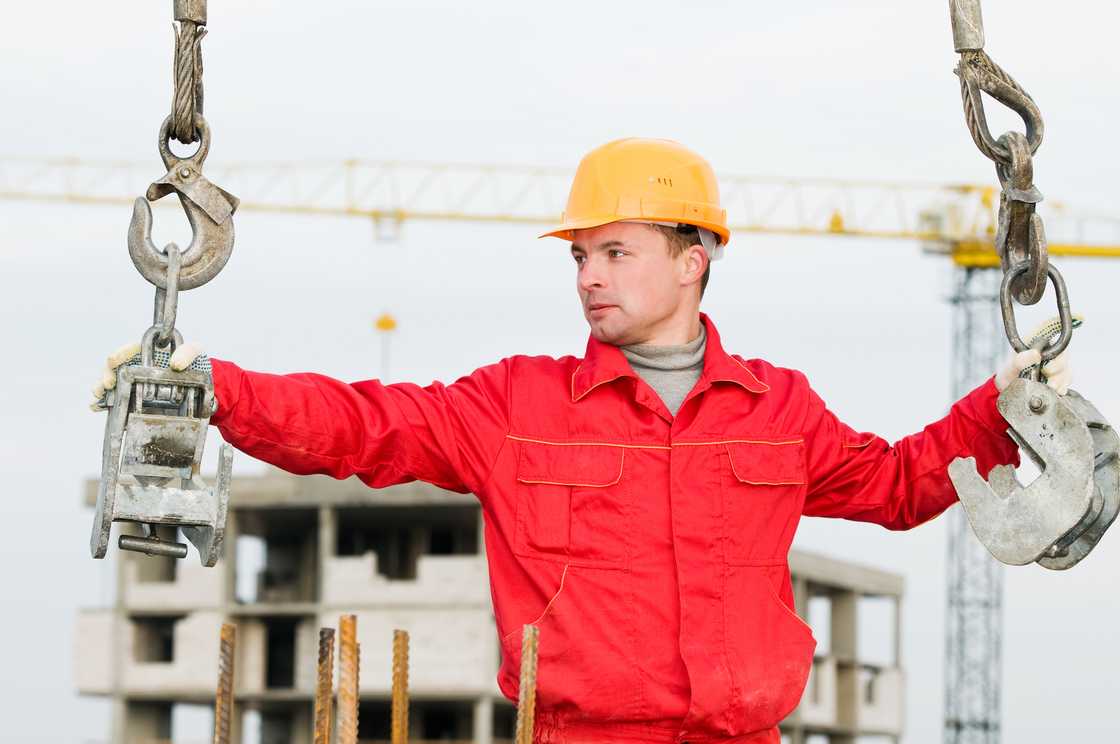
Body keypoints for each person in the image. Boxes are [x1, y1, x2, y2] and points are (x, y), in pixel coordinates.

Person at [93, 138, 1070, 743]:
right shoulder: (514, 405)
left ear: (692, 262)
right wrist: (214, 390)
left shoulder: (778, 409)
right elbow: (363, 423)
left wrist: (1001, 401)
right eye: (578, 256)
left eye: (614, 251)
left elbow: (899, 485)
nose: (588, 276)